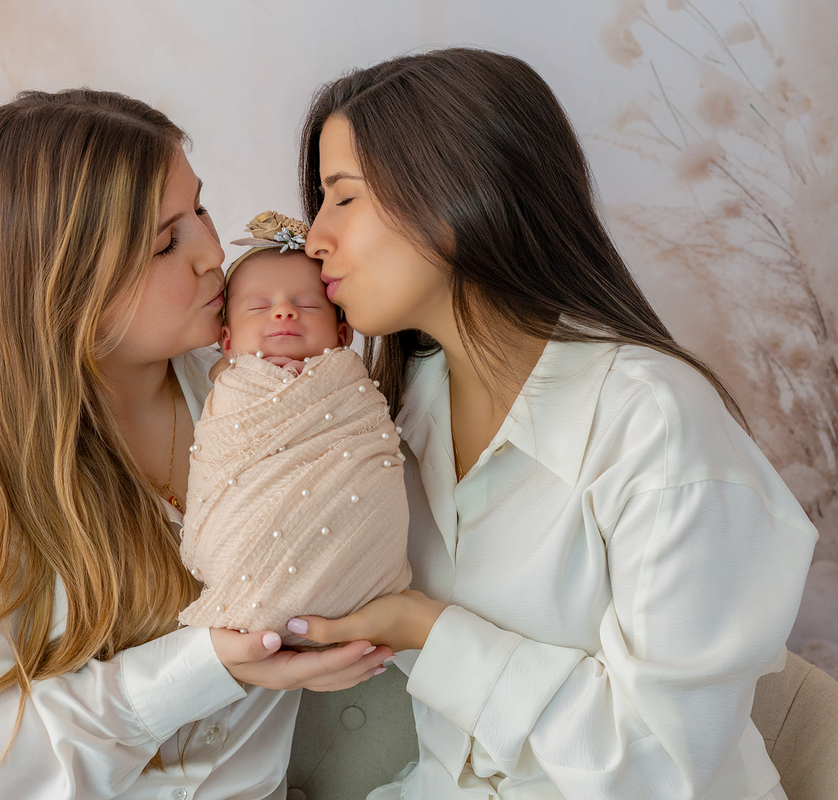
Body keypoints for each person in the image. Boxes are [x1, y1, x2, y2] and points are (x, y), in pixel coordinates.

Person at [0, 89, 392, 800]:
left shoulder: (262, 387)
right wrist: (207, 667)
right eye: (166, 242)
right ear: (65, 284)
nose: (214, 253)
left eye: (200, 209)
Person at [287, 49, 817, 800]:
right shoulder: (397, 414)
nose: (314, 239)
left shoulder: (652, 422)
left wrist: (428, 630)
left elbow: (661, 767)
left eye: (343, 197)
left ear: (453, 190)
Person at [178, 211, 411, 646]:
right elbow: (222, 459)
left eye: (305, 305)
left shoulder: (348, 386)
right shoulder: (229, 389)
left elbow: (371, 456)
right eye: (260, 307)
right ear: (227, 342)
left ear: (342, 335)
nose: (283, 312)